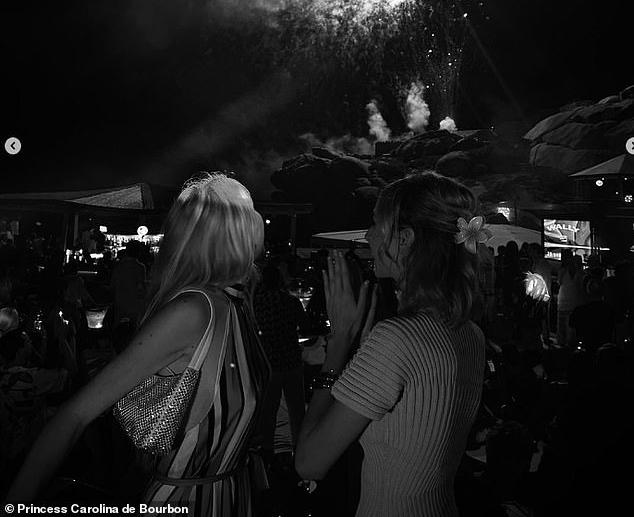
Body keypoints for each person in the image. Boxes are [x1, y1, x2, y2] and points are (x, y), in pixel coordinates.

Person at [5, 172, 270, 514]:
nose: (257, 226)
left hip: (230, 497)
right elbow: (75, 414)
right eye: (246, 215)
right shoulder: (194, 311)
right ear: (220, 232)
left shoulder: (235, 304)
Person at [295, 170, 486, 517]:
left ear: (405, 239)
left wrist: (340, 343)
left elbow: (309, 463)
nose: (368, 235)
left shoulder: (398, 338)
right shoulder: (470, 333)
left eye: (376, 224)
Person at [253, 261, 308, 467]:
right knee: (296, 409)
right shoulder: (291, 302)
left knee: (269, 409)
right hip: (292, 360)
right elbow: (305, 326)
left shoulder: (258, 303)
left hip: (270, 364)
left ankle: (268, 451)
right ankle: (300, 448)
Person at [109, 241, 147, 328]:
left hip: (120, 304)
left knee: (119, 331)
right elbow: (141, 289)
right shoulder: (140, 267)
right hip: (133, 306)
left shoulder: (119, 266)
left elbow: (112, 286)